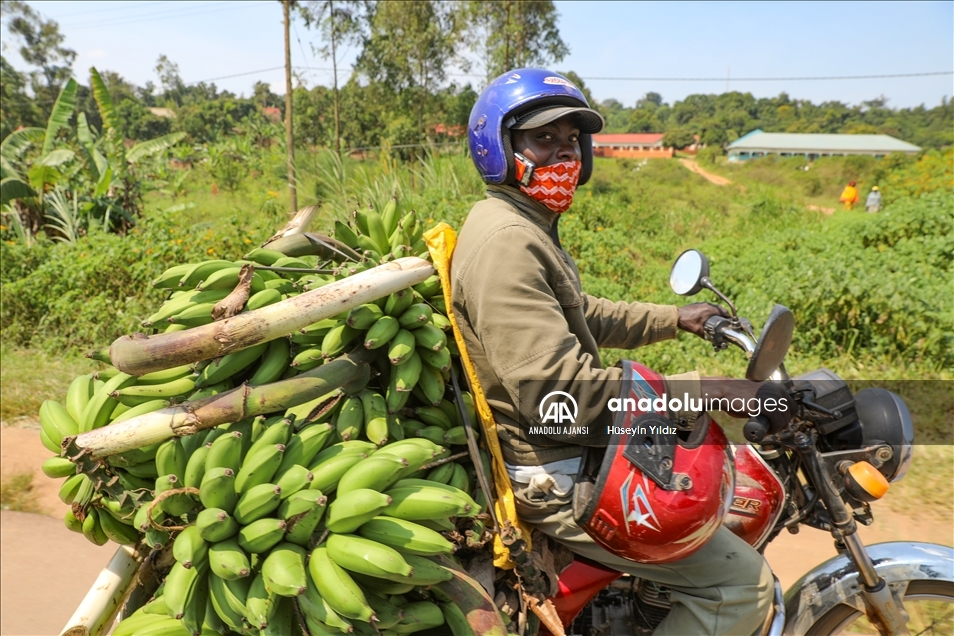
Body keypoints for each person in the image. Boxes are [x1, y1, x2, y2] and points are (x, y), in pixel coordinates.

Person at [451, 68, 774, 635]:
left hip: (578, 442)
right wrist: (705, 391)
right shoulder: (507, 242)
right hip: (555, 467)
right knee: (741, 584)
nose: (562, 155)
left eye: (571, 141)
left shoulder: (526, 224)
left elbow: (583, 311)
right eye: (542, 139)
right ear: (500, 148)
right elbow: (555, 392)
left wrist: (678, 319)